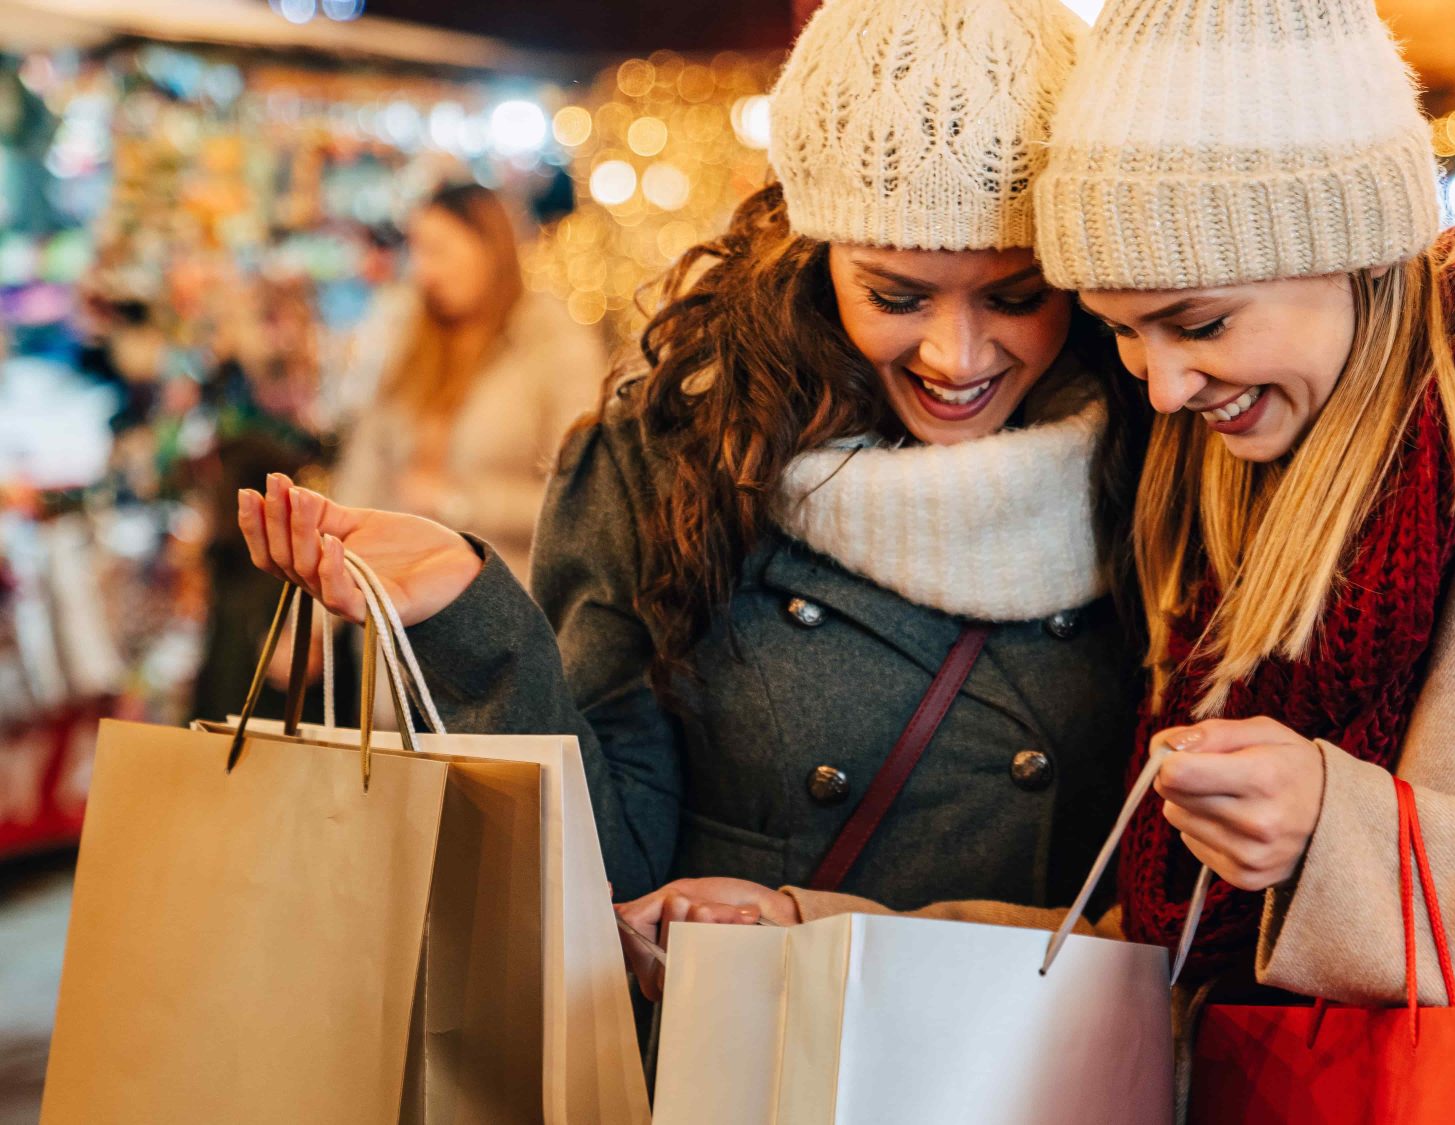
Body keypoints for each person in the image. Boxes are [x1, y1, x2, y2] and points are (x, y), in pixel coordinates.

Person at [658, 0, 1455, 1119]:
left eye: (1198, 322)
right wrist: (813, 938)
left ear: (1348, 245)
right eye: (1122, 333)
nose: (1161, 386)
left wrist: (1343, 836)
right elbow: (1195, 970)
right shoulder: (1239, 490)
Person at [235, 0, 1146, 998]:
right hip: (760, 1048)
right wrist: (471, 617)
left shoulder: (1162, 451)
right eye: (895, 296)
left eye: (1016, 296)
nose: (956, 356)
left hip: (1054, 1046)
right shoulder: (674, 453)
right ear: (812, 258)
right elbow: (609, 870)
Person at [333, 183, 604, 579]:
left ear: (489, 249)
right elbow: (365, 468)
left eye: (438, 250)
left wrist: (459, 502)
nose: (423, 271)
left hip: (502, 595)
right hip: (394, 592)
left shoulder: (554, 346)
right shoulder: (411, 337)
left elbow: (581, 503)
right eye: (417, 250)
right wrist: (331, 576)